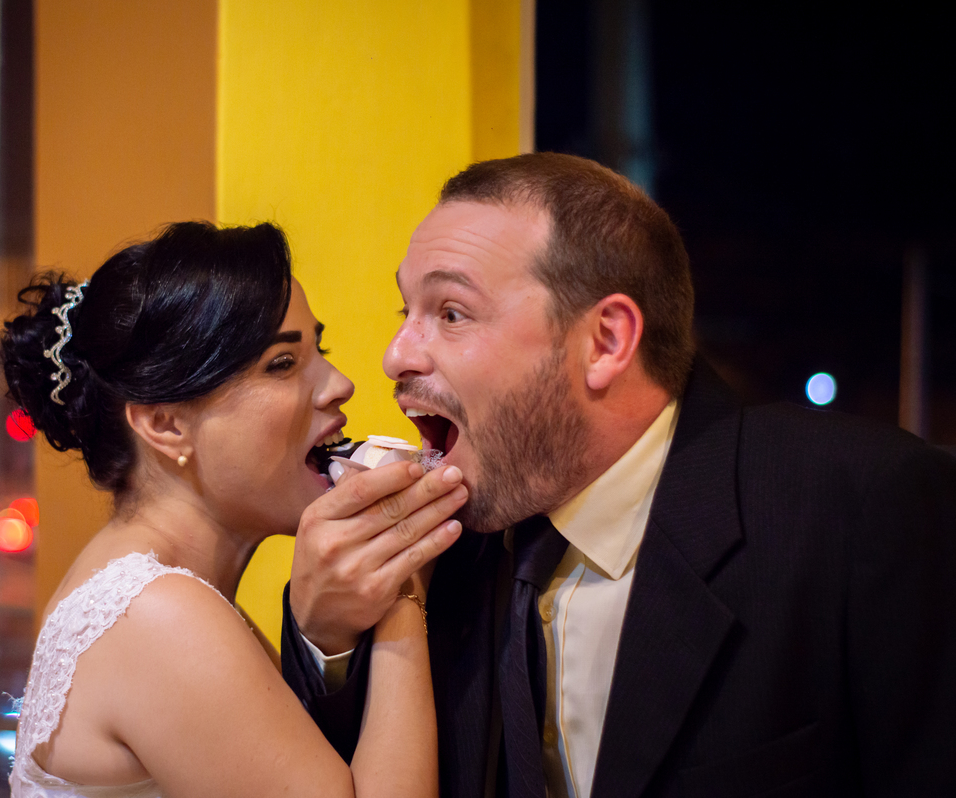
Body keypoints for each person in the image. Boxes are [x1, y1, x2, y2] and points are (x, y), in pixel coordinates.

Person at [281, 153, 956, 798]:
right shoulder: (443, 550)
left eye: (451, 313)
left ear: (606, 342)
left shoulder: (864, 509)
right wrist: (326, 641)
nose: (395, 355)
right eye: (408, 313)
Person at [0, 221, 469, 798]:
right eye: (282, 364)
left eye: (317, 349)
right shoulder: (158, 618)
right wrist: (400, 580)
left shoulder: (163, 600)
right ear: (166, 424)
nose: (340, 385)